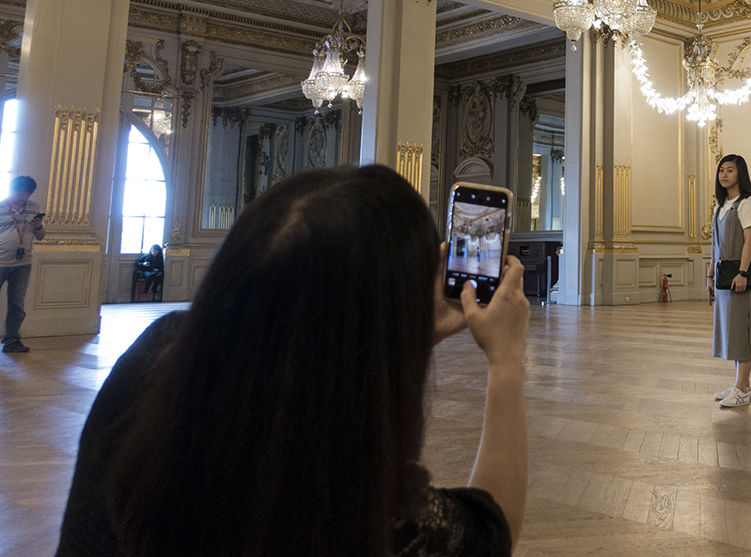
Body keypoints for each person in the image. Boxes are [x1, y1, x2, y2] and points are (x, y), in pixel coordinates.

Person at [55, 165, 529, 557]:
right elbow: (492, 529)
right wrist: (505, 361)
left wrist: (403, 334)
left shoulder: (162, 352)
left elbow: (300, 349)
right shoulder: (357, 499)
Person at [705, 154, 751, 408]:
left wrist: (743, 273)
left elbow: (749, 241)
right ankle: (740, 383)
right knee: (731, 331)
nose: (724, 175)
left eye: (730, 170)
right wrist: (710, 275)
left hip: (738, 277)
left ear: (740, 174)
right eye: (721, 170)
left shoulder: (747, 203)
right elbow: (715, 247)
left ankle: (742, 389)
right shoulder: (720, 207)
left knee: (742, 331)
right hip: (722, 278)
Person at [1, 174, 45, 354]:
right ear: (12, 190)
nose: (24, 197)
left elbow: (40, 237)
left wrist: (38, 226)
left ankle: (12, 341)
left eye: (28, 194)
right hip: (1, 262)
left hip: (23, 263)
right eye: (21, 193)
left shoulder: (34, 208)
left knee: (17, 304)